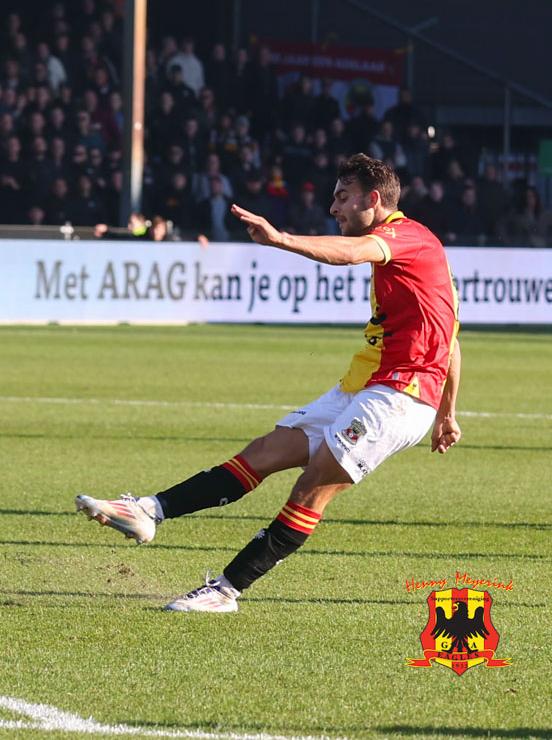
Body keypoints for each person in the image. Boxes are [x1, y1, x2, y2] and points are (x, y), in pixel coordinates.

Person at [75, 154, 460, 612]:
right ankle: (148, 511)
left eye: (342, 197)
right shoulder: (412, 262)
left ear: (374, 201)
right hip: (365, 385)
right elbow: (452, 336)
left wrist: (281, 240)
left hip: (399, 396)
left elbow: (353, 253)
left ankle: (224, 591)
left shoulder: (404, 236)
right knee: (265, 451)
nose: (333, 208)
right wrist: (449, 413)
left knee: (312, 487)